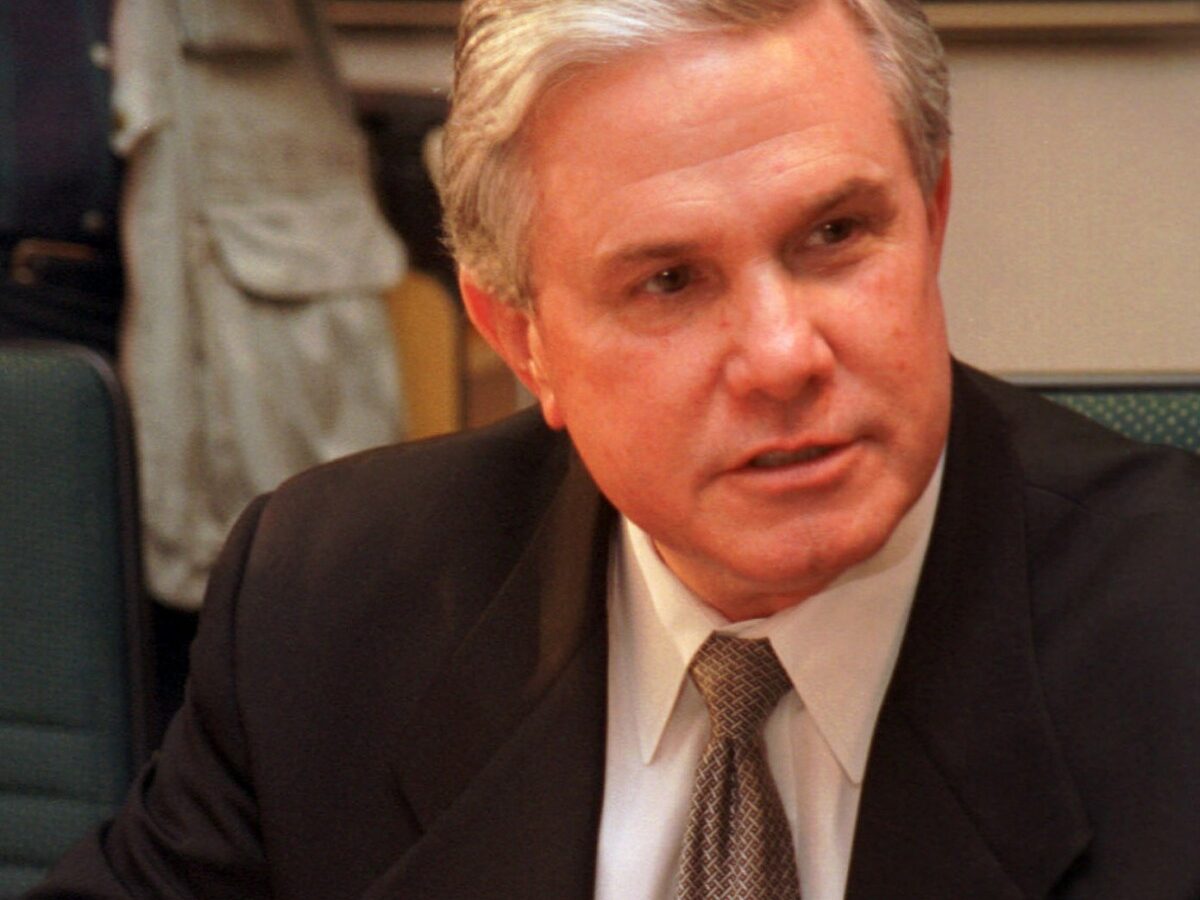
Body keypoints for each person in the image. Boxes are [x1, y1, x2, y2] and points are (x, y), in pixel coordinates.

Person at [27, 0, 1200, 897]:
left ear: (932, 214)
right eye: (671, 282)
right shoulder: (329, 605)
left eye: (836, 235)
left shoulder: (1173, 623)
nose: (783, 354)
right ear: (520, 338)